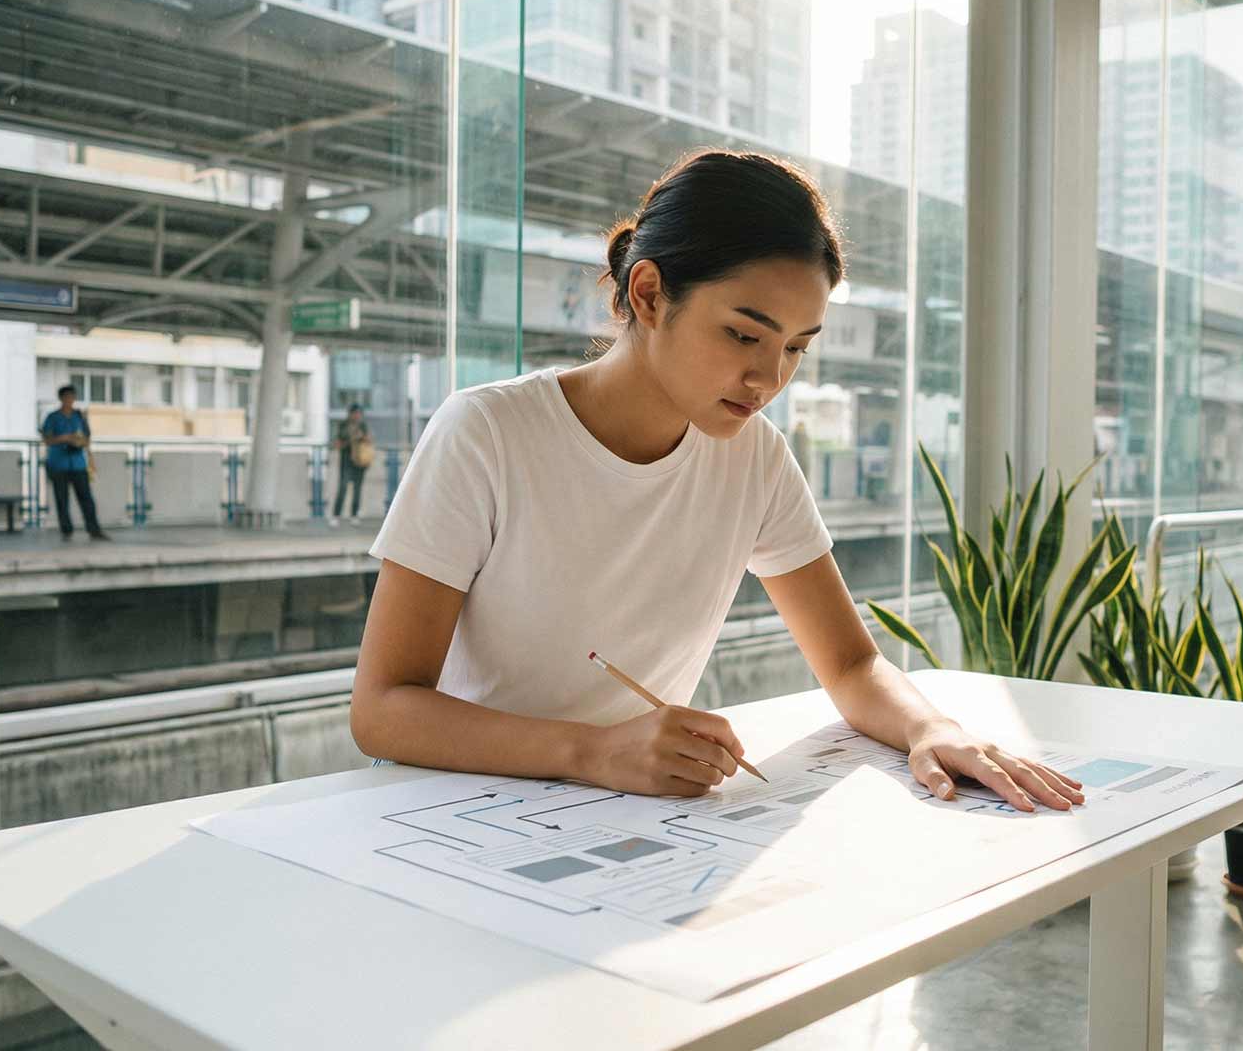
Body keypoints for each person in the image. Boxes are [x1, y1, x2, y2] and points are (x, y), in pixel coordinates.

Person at [349, 150, 1086, 812]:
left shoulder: (754, 457)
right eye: (743, 334)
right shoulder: (487, 433)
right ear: (647, 294)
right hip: (451, 813)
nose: (768, 378)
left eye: (795, 347)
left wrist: (933, 729)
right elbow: (382, 709)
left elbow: (853, 662)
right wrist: (594, 751)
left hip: (621, 815)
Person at [40, 385, 110, 541]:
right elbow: (47, 439)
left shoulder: (79, 417)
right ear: (61, 399)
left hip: (78, 463)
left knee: (86, 497)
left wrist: (79, 441)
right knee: (62, 499)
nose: (69, 400)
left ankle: (94, 529)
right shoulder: (53, 417)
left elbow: (87, 438)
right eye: (67, 397)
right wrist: (64, 438)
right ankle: (66, 530)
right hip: (58, 463)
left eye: (72, 397)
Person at [331, 403, 373, 526]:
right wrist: (350, 440)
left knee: (357, 489)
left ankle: (354, 515)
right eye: (355, 413)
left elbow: (369, 440)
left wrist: (362, 437)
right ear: (350, 414)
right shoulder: (343, 425)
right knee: (342, 488)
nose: (357, 416)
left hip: (360, 462)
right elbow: (337, 442)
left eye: (359, 413)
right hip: (346, 461)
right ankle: (336, 515)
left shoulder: (363, 425)